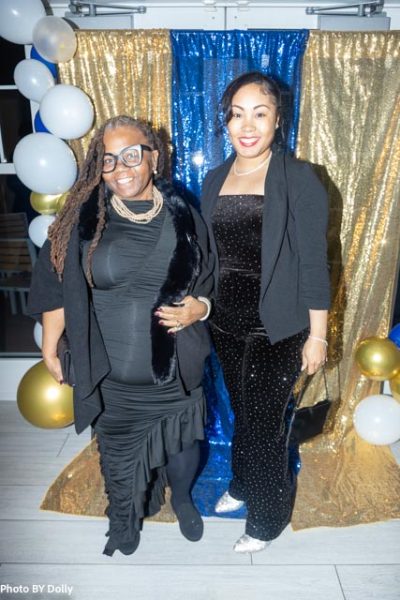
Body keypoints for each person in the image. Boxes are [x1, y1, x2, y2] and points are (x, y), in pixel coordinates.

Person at [28, 116, 214, 557]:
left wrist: (201, 307)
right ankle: (123, 521)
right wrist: (50, 345)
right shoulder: (83, 220)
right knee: (115, 455)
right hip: (110, 373)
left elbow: (211, 276)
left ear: (154, 158)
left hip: (173, 369)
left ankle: (182, 499)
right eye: (109, 160)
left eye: (131, 155)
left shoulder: (184, 214)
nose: (120, 168)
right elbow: (56, 279)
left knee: (183, 444)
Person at [201, 72, 330, 553]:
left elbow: (314, 263)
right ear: (227, 122)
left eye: (260, 113)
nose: (247, 125)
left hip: (278, 326)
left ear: (278, 119)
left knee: (264, 423)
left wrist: (318, 335)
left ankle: (268, 517)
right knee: (243, 412)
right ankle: (241, 482)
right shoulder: (215, 178)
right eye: (237, 115)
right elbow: (210, 256)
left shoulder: (299, 179)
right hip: (225, 323)